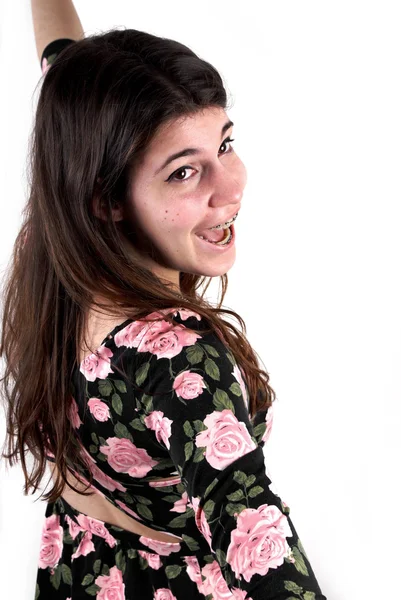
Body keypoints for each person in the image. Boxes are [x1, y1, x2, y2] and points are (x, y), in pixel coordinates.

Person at [0, 2, 327, 599]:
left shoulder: (60, 237)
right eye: (183, 172)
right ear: (106, 198)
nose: (230, 190)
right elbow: (252, 532)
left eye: (226, 144)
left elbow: (62, 62)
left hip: (84, 569)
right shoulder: (176, 358)